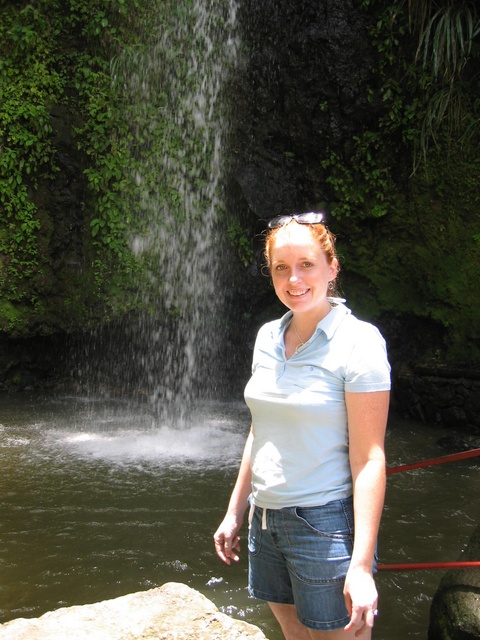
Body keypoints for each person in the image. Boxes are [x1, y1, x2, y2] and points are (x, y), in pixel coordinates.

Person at [213, 211, 390, 639]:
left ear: (332, 267)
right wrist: (235, 511)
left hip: (324, 523)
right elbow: (261, 430)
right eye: (281, 268)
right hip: (265, 520)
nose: (294, 279)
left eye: (307, 264)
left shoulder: (359, 342)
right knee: (293, 635)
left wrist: (362, 566)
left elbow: (369, 460)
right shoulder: (267, 337)